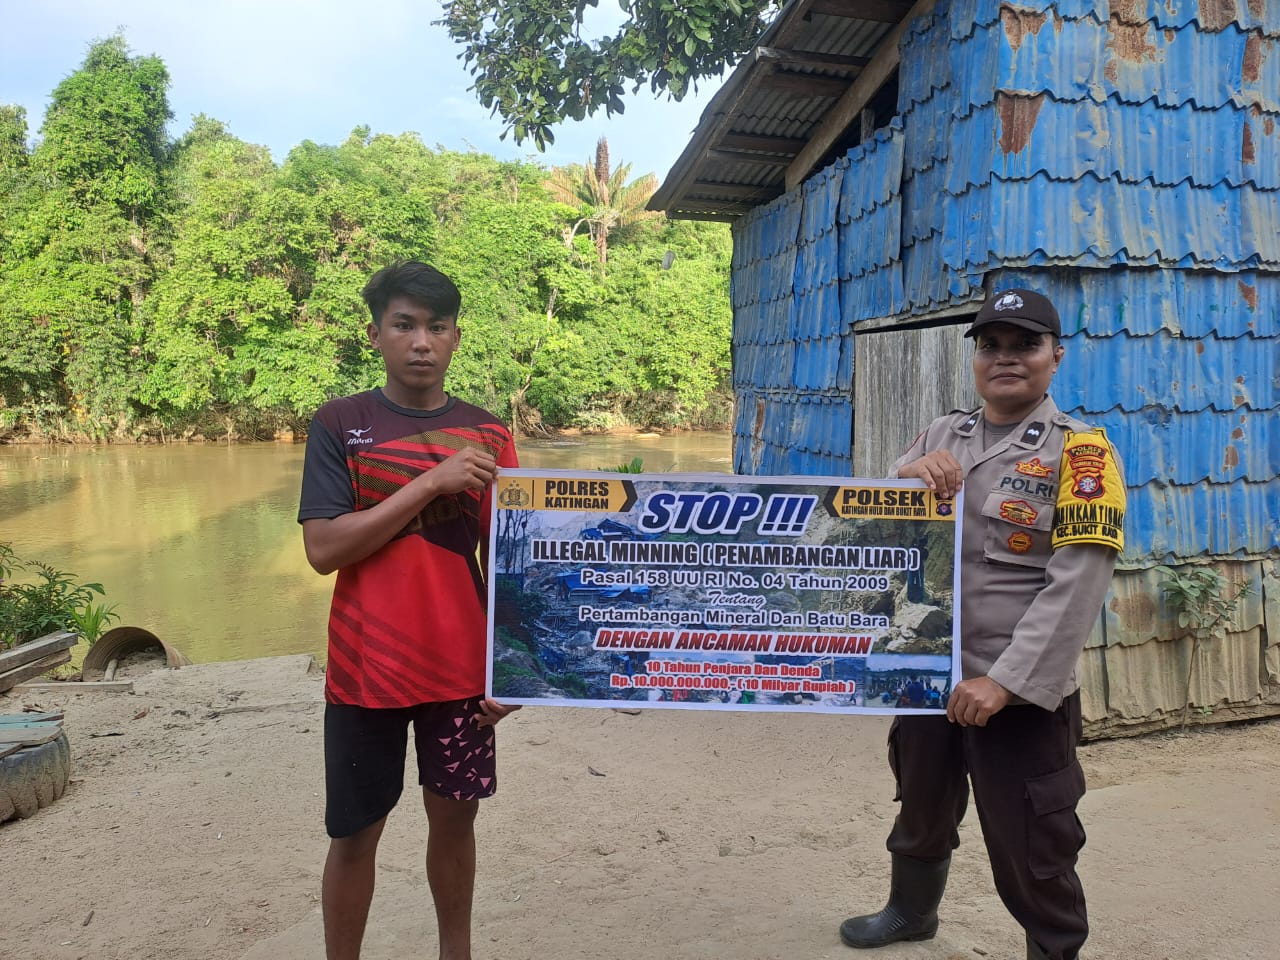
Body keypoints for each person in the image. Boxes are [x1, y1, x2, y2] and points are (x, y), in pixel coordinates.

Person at [838, 288, 1125, 960]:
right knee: (920, 810)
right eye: (990, 345)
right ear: (975, 359)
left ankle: (1053, 949)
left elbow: (1076, 585)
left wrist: (1003, 682)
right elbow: (871, 525)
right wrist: (904, 477)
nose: (1005, 358)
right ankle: (911, 913)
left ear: (1055, 357)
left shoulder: (1081, 456)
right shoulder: (942, 435)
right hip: (927, 674)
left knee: (1034, 845)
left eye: (1024, 344)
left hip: (1016, 697)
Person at [297, 260, 521, 960]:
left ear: (456, 337)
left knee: (456, 825)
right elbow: (325, 548)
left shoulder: (489, 435)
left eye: (437, 326)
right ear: (376, 335)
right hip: (366, 675)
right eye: (404, 325)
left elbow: (515, 565)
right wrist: (432, 483)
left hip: (461, 680)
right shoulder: (340, 423)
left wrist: (509, 671)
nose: (421, 341)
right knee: (354, 835)